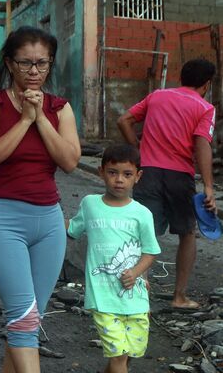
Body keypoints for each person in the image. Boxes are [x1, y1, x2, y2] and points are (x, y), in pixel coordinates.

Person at [0, 26, 81, 372]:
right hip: (2, 219)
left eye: (42, 64)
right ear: (9, 62)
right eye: (25, 64)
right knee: (22, 317)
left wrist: (41, 121)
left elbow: (69, 161)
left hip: (48, 222)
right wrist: (24, 120)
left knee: (29, 320)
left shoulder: (60, 108)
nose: (34, 72)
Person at [117, 58, 217, 310]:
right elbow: (202, 144)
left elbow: (124, 120)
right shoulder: (205, 107)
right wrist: (208, 186)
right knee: (186, 233)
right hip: (179, 176)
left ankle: (139, 293)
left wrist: (137, 149)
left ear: (181, 77)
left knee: (144, 232)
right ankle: (179, 296)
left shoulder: (157, 96)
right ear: (206, 85)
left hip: (147, 172)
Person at [67, 144, 161, 373]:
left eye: (127, 174)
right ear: (101, 172)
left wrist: (138, 273)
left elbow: (149, 252)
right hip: (102, 296)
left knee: (129, 352)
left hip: (135, 296)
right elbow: (71, 229)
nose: (119, 180)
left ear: (137, 176)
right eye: (112, 172)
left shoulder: (142, 214)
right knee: (118, 355)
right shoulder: (90, 204)